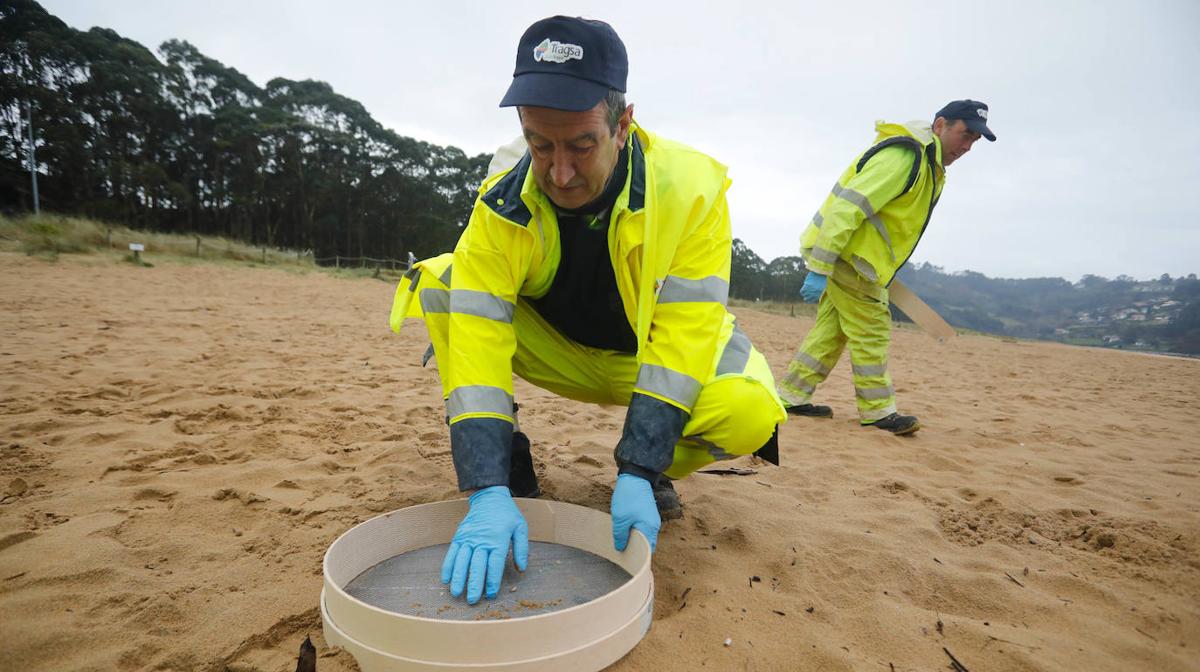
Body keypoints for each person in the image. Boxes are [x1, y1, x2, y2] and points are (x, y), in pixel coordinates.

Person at [388, 16, 787, 605]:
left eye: (581, 144)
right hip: (557, 350)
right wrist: (485, 488)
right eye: (539, 144)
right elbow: (476, 333)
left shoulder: (692, 189)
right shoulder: (501, 198)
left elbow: (685, 337)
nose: (559, 171)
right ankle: (510, 472)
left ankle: (655, 476)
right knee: (445, 282)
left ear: (623, 122)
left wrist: (638, 469)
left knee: (751, 411)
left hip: (648, 356)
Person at [779, 101, 996, 435]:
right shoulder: (905, 158)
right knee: (872, 330)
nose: (967, 146)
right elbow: (847, 209)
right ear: (940, 125)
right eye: (965, 134)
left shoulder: (930, 166)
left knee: (831, 332)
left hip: (854, 258)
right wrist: (820, 266)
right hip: (850, 258)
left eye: (974, 141)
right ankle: (878, 411)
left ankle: (789, 396)